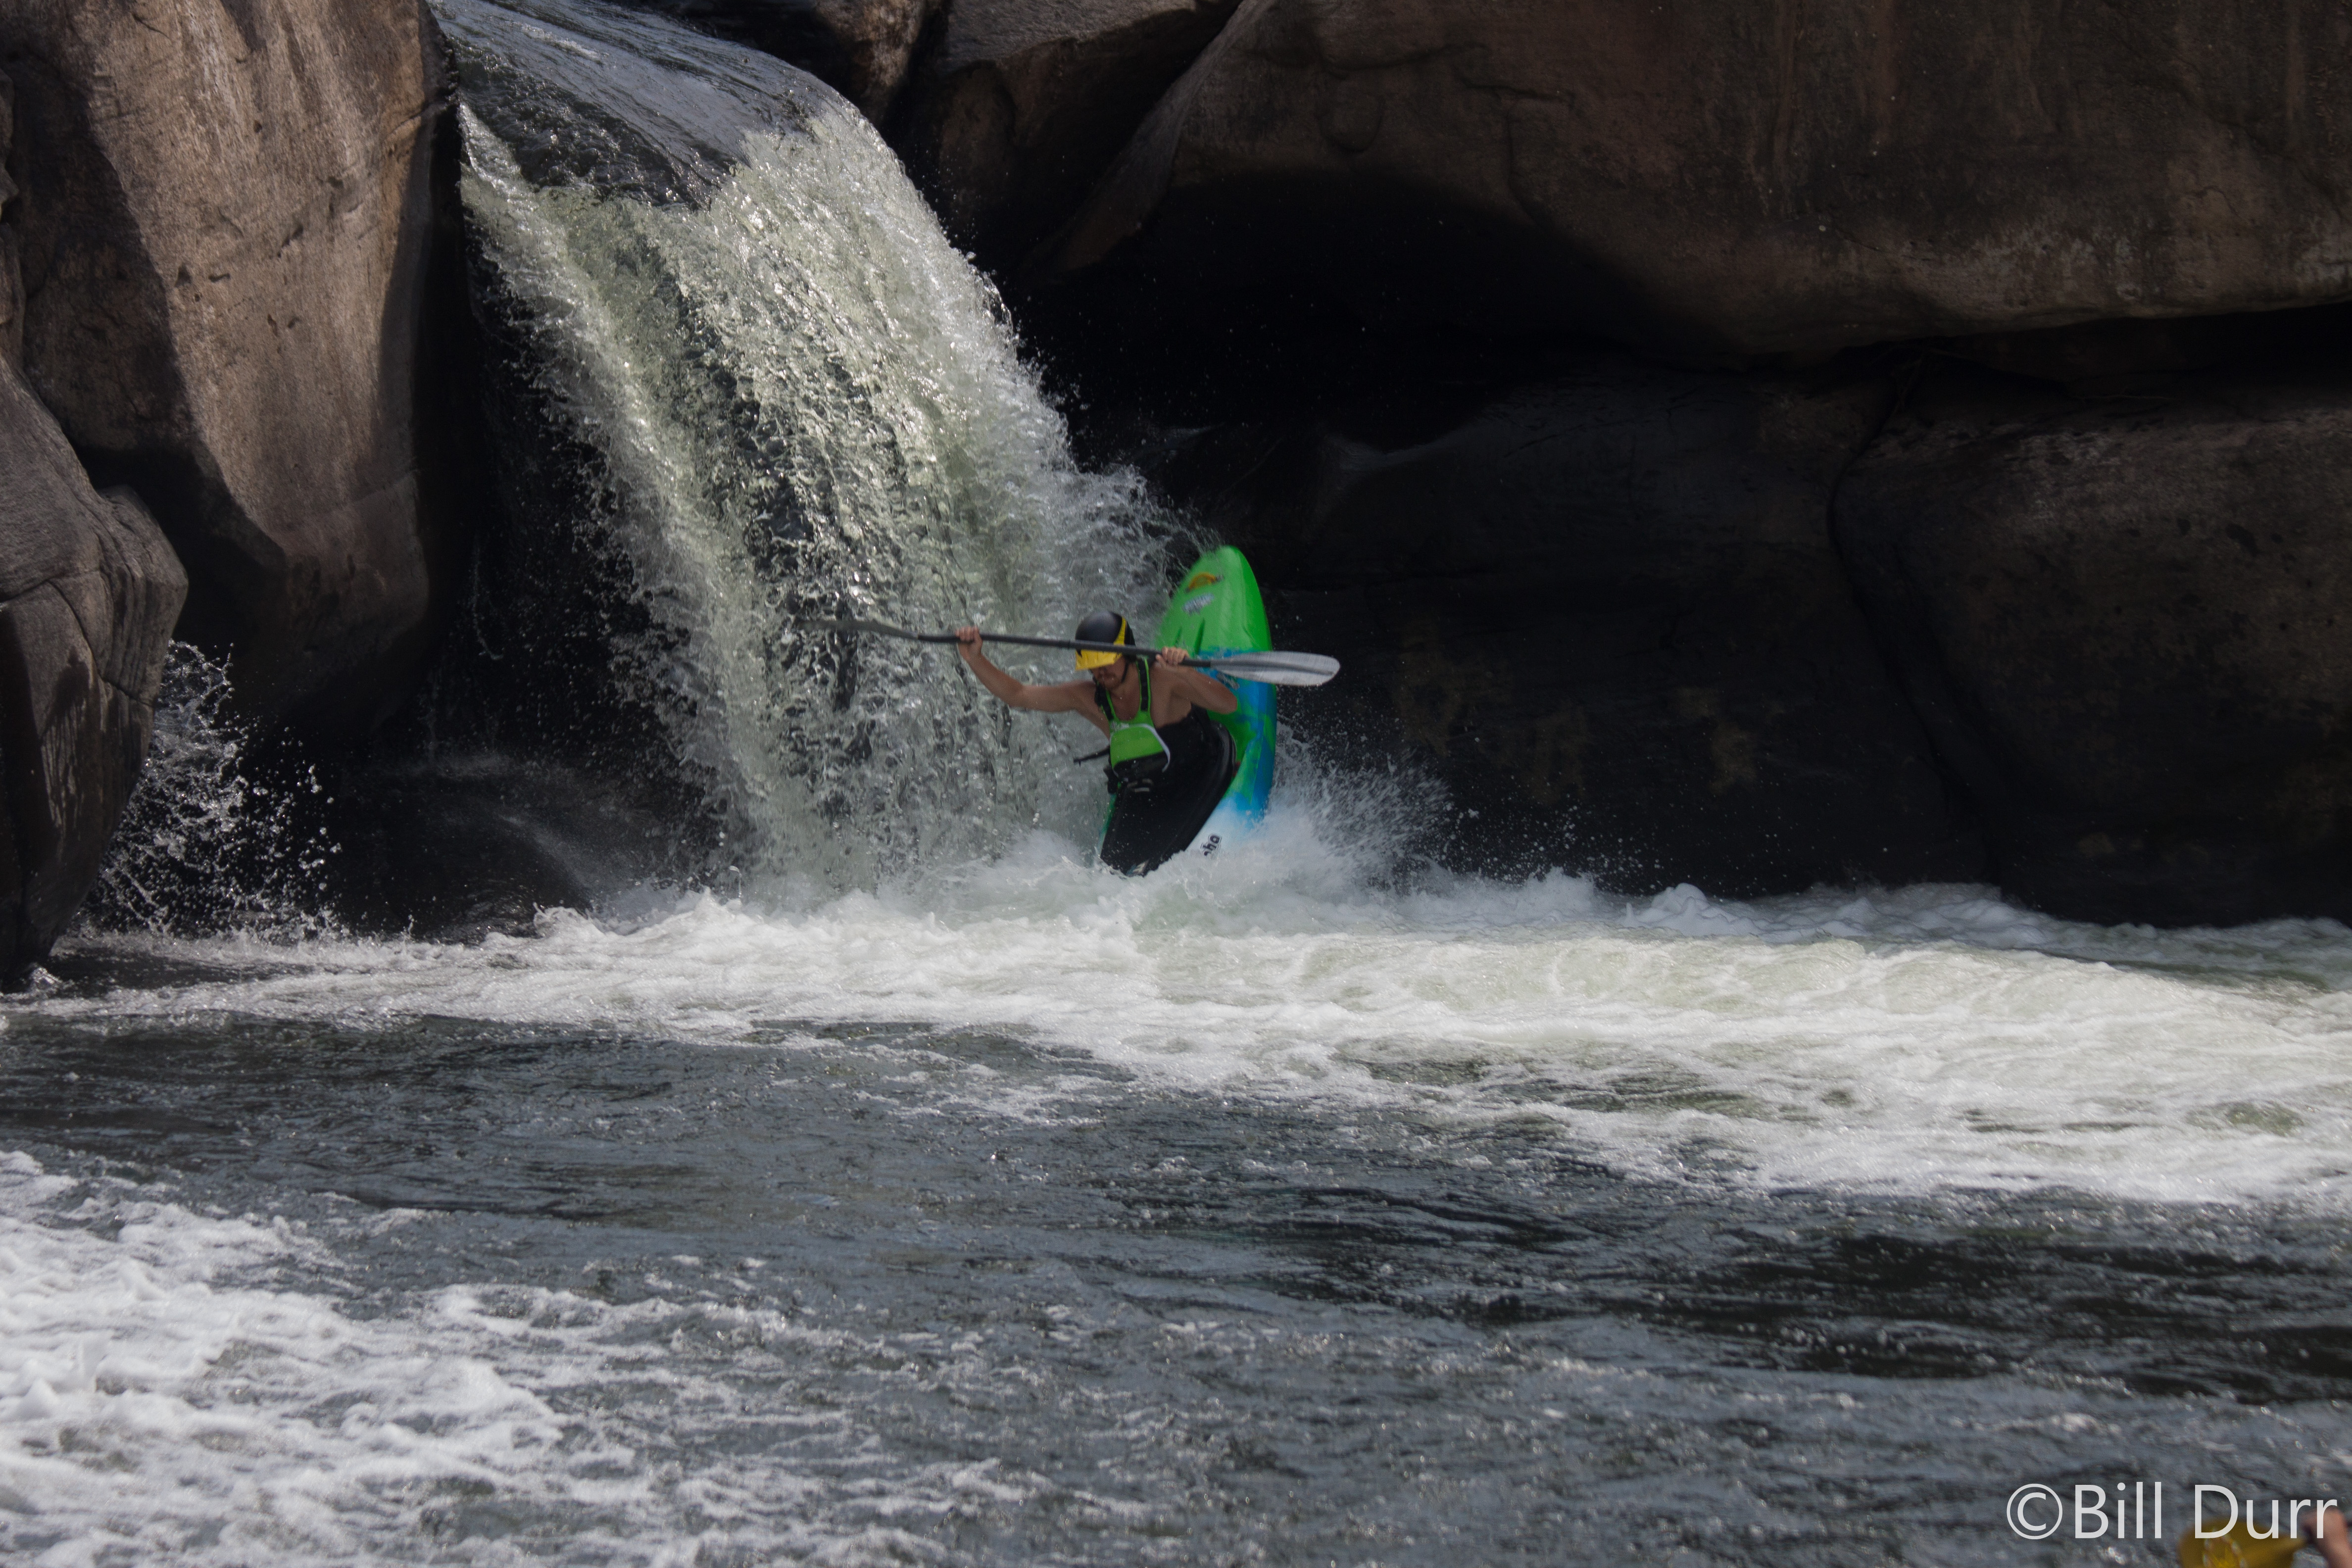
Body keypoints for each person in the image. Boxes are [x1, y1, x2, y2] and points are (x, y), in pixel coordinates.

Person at [954, 612, 1239, 872]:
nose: (1101, 673)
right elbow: (1019, 695)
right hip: (1146, 797)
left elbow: (1228, 705)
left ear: (1127, 654)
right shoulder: (1088, 698)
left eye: (1107, 663)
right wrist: (975, 659)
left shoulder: (1162, 678)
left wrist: (1188, 674)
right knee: (1114, 879)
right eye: (1093, 667)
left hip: (1195, 778)